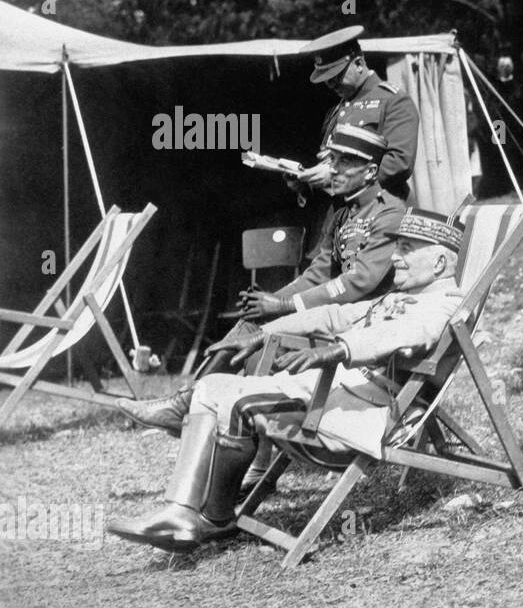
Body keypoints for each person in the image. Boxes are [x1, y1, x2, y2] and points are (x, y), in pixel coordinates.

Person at [105, 208, 467, 553]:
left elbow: (403, 333)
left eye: (406, 249)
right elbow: (334, 314)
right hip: (334, 393)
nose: (395, 257)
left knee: (237, 405)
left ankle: (213, 518)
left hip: (361, 414)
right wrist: (264, 333)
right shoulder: (402, 297)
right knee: (209, 387)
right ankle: (182, 511)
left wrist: (339, 349)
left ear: (438, 263)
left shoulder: (446, 304)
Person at [115, 125, 407, 435]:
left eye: (344, 161)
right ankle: (190, 402)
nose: (333, 169)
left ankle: (189, 405)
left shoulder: (389, 214)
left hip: (363, 322)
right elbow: (320, 271)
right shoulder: (343, 214)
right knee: (254, 321)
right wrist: (271, 301)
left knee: (260, 337)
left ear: (370, 171)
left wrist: (285, 305)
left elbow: (360, 282)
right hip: (333, 315)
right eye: (332, 160)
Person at [292, 25, 420, 201]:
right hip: (345, 213)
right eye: (327, 80)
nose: (331, 85)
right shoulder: (338, 109)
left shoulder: (393, 100)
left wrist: (338, 176)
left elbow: (399, 162)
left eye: (336, 76)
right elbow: (331, 162)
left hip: (381, 208)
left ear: (358, 64)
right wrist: (307, 182)